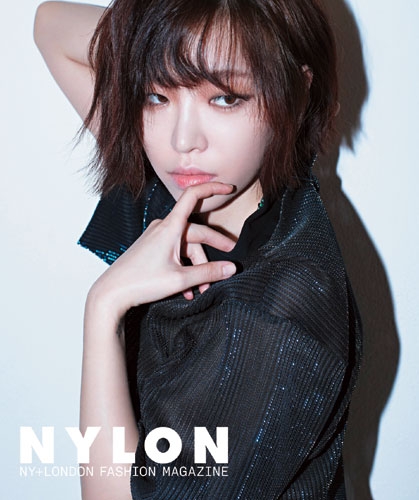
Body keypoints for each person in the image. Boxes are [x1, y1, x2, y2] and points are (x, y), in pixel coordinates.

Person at [34, 0, 362, 498]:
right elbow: (50, 26)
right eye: (156, 95)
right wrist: (165, 42)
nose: (182, 140)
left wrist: (104, 309)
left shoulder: (274, 317)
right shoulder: (186, 191)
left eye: (224, 98)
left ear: (297, 93)